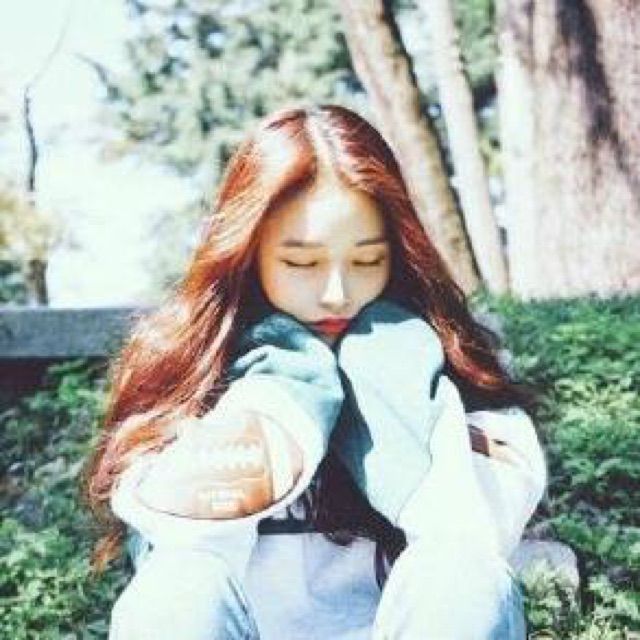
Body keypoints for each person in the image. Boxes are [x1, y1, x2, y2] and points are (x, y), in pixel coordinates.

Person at [82, 104, 547, 639]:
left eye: (367, 261)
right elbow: (178, 566)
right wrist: (280, 400)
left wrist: (393, 387)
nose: (336, 293)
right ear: (248, 254)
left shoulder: (450, 374)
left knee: (461, 574)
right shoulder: (190, 382)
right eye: (302, 263)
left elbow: (473, 547)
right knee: (177, 586)